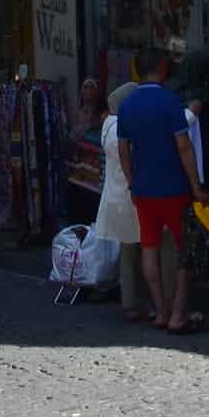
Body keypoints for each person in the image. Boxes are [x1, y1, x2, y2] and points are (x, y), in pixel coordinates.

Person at [117, 49, 207, 337]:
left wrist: (132, 181)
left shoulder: (127, 105)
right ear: (161, 68)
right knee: (184, 250)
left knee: (149, 247)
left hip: (143, 189)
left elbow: (123, 148)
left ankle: (160, 310)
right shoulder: (170, 102)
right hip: (172, 187)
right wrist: (196, 186)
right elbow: (183, 146)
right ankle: (177, 315)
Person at [94, 80, 148, 321]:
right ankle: (142, 302)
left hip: (115, 197)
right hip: (132, 196)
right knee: (145, 249)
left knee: (128, 251)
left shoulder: (107, 126)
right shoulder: (123, 129)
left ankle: (130, 302)